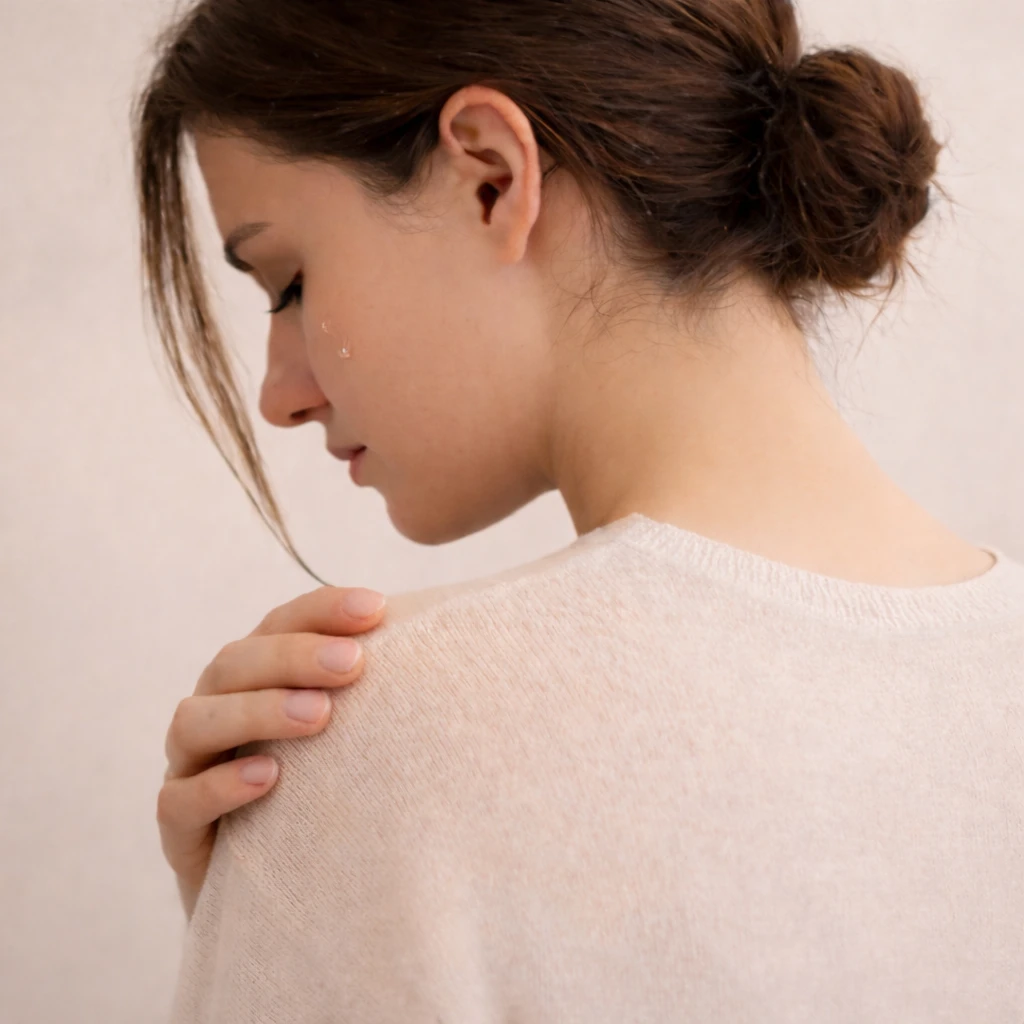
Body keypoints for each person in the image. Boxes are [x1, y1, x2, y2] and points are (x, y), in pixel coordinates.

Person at [135, 1, 1024, 1020]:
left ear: (490, 177)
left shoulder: (392, 744)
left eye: (289, 281)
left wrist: (288, 895)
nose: (277, 394)